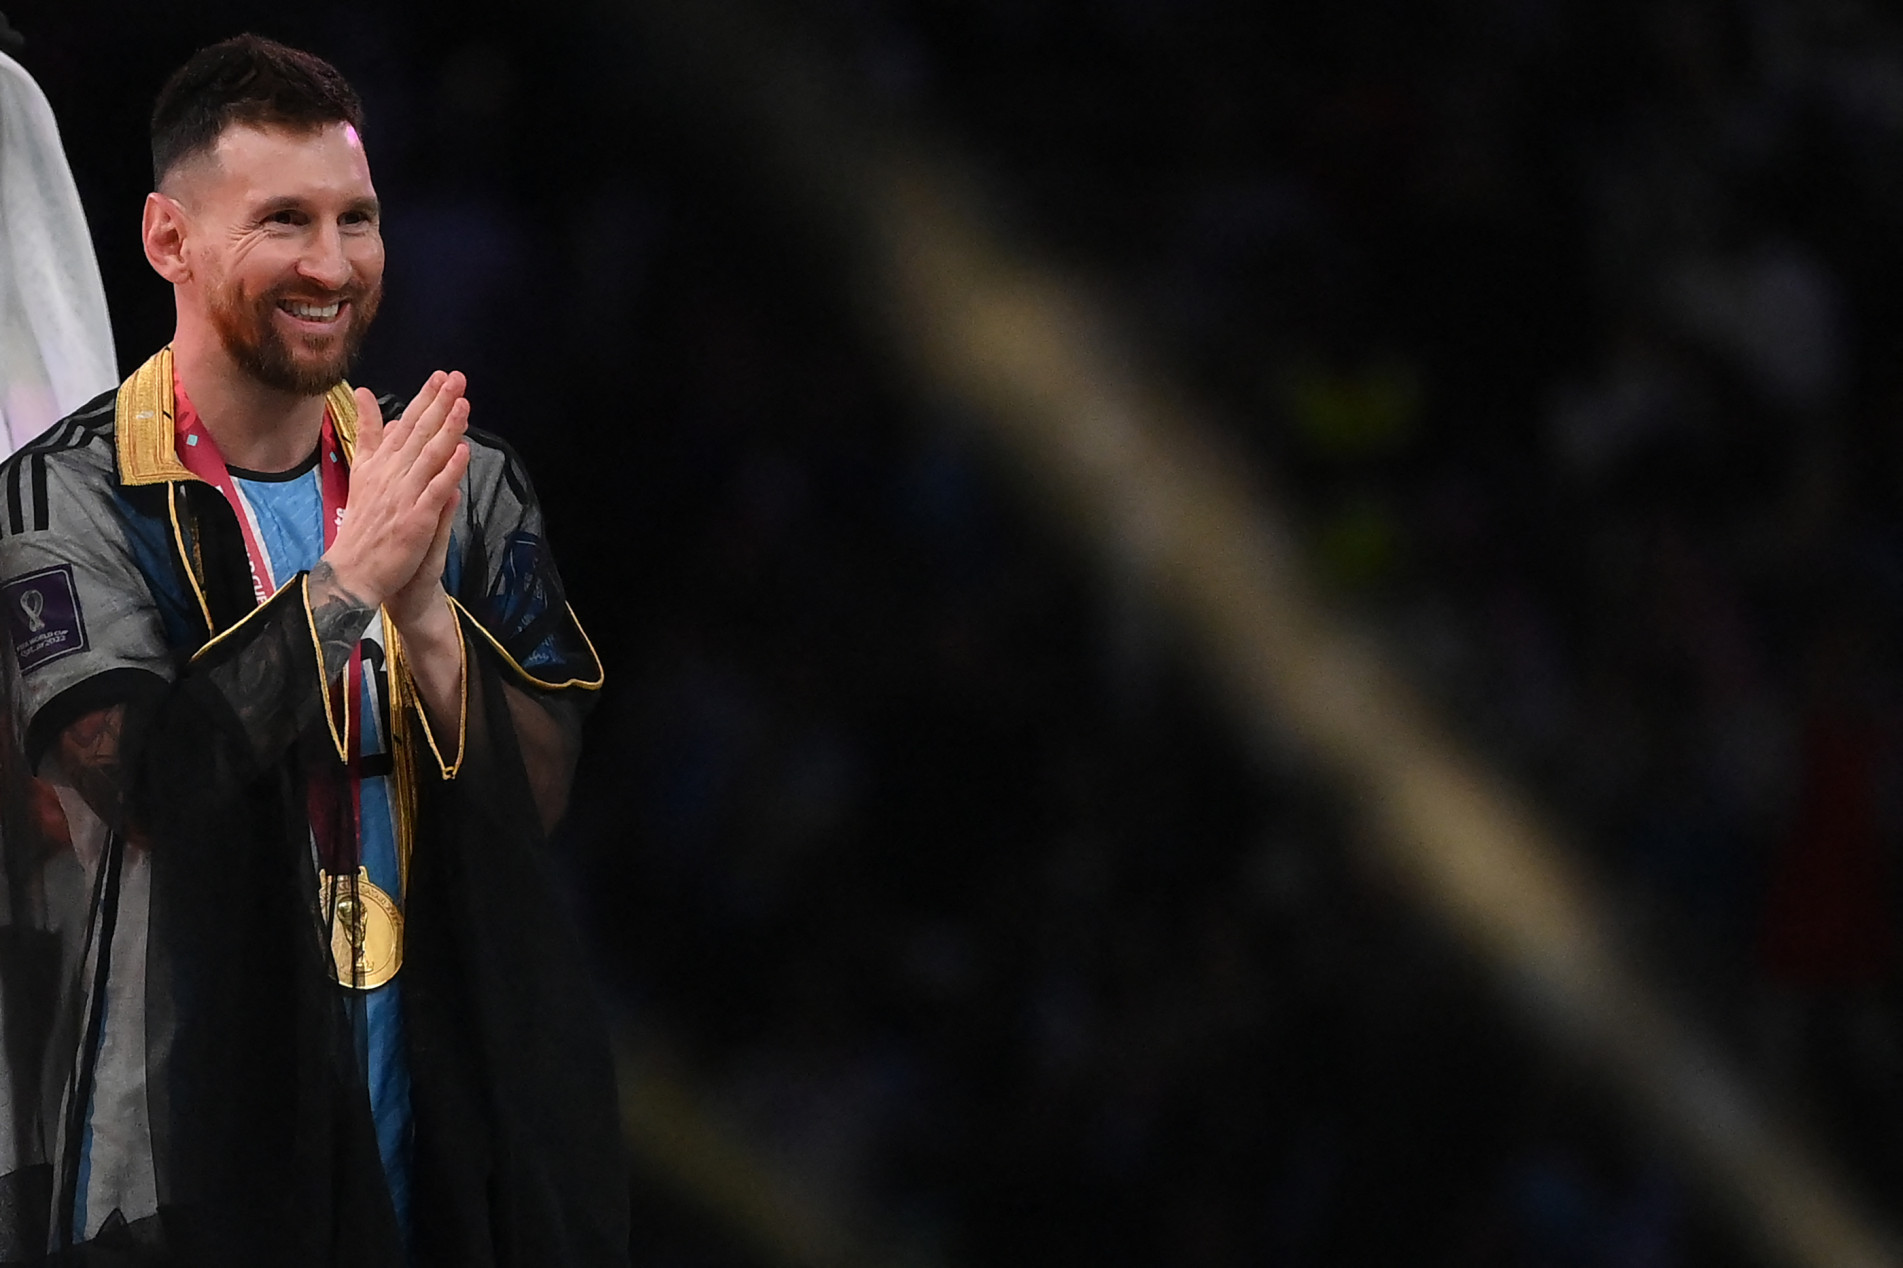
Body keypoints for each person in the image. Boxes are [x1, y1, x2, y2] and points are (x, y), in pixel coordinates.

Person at [0, 34, 627, 1266]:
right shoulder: (61, 504)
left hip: (435, 1151)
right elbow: (140, 790)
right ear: (169, 241)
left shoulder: (460, 479)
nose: (331, 265)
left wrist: (432, 616)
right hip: (182, 1169)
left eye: (357, 219)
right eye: (284, 220)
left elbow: (541, 786)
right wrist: (344, 587)